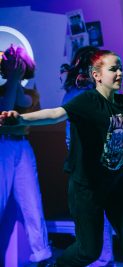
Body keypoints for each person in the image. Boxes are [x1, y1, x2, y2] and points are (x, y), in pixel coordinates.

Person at [0, 49, 123, 267]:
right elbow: (55, 115)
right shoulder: (87, 101)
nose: (119, 73)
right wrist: (20, 119)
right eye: (113, 69)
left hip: (117, 184)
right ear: (96, 75)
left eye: (120, 68)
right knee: (88, 250)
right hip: (87, 187)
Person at [60, 45, 115, 267]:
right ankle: (102, 257)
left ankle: (101, 257)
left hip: (90, 157)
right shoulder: (83, 93)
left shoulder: (77, 93)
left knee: (92, 212)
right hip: (89, 157)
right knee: (94, 211)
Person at [0, 45, 53, 265]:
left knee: (32, 201)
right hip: (3, 145)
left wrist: (16, 76)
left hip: (22, 147)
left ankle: (42, 255)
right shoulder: (4, 90)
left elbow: (23, 103)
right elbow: (5, 108)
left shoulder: (30, 93)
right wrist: (13, 77)